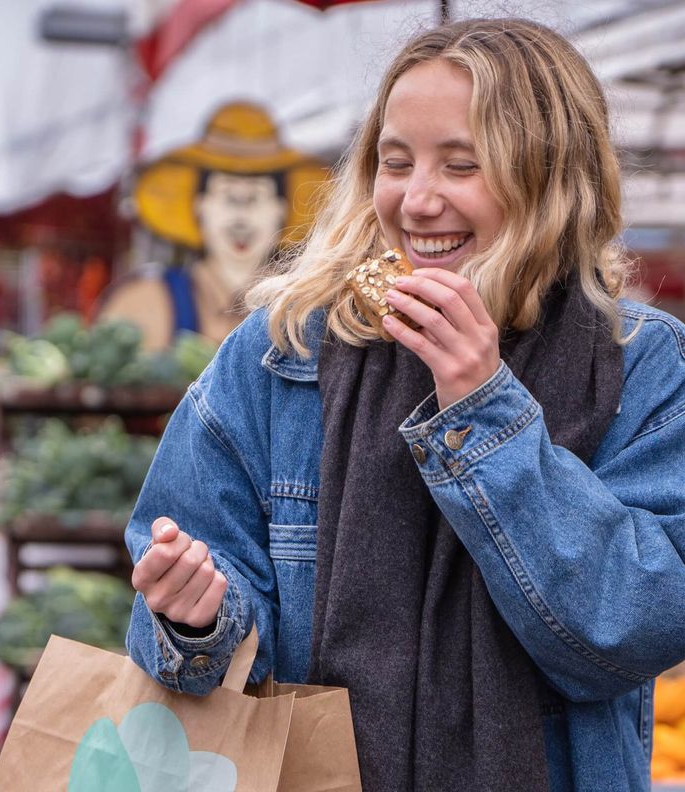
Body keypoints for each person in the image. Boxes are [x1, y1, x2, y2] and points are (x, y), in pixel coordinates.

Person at [125, 18, 685, 792]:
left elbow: (634, 627)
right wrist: (194, 615)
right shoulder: (282, 352)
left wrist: (483, 408)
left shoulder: (643, 367)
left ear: (550, 177)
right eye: (395, 163)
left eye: (462, 165)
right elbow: (192, 630)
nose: (417, 201)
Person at [98, 102, 327, 350]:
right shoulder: (144, 303)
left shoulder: (308, 312)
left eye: (256, 196)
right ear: (200, 207)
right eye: (228, 196)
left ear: (281, 210)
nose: (241, 214)